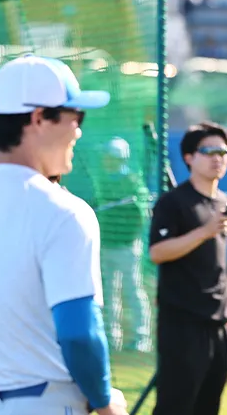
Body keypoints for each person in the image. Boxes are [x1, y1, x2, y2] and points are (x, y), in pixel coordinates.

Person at [0, 54, 127, 414]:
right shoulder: (63, 211)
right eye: (75, 116)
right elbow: (79, 333)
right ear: (38, 118)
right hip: (42, 402)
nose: (78, 130)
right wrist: (104, 400)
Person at [149, 121, 227, 415]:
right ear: (188, 157)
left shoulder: (223, 202)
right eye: (208, 151)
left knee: (208, 406)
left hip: (217, 322)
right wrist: (204, 232)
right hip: (183, 324)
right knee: (175, 406)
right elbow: (157, 252)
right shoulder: (172, 203)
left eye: (223, 151)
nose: (217, 158)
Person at [96, 136, 152, 353]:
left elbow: (140, 215)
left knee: (132, 290)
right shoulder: (103, 181)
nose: (105, 160)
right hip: (107, 244)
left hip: (127, 246)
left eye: (109, 157)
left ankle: (141, 337)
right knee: (109, 293)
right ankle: (112, 337)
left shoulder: (131, 181)